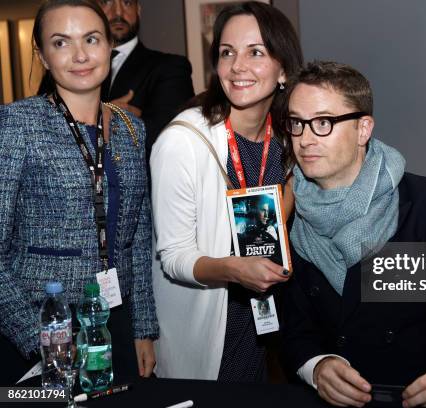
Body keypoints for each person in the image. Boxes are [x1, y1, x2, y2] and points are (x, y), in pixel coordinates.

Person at [281, 61, 426, 408]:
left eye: (323, 122)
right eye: (296, 124)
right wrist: (317, 367)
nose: (305, 139)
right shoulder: (289, 213)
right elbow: (293, 331)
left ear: (363, 130)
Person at [0, 0, 157, 385]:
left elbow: (137, 239)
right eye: (61, 42)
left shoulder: (132, 130)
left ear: (108, 46)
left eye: (91, 39)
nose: (80, 55)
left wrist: (143, 328)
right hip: (40, 325)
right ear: (41, 53)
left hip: (111, 324)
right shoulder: (17, 124)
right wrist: (39, 338)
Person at [150, 2, 303, 381]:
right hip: (210, 333)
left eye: (256, 52)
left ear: (283, 68)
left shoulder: (289, 136)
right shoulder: (183, 142)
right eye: (227, 53)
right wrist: (234, 269)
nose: (237, 66)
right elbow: (174, 257)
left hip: (274, 330)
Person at [97, 0, 195, 160]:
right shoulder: (66, 70)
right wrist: (102, 115)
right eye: (107, 2)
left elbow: (171, 138)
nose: (118, 13)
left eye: (127, 3)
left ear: (139, 10)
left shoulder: (170, 67)